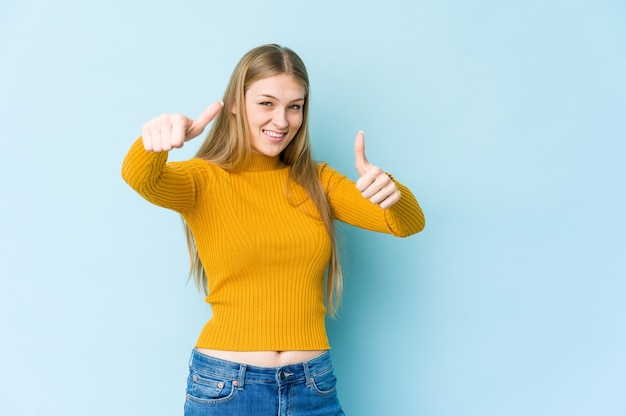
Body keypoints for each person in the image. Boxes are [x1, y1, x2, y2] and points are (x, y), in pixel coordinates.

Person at [121, 44, 425, 416]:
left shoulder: (318, 181)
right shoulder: (203, 179)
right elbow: (140, 177)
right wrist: (156, 142)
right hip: (226, 388)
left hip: (313, 386)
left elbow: (408, 224)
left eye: (294, 106)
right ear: (235, 103)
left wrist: (391, 192)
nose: (282, 121)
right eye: (267, 103)